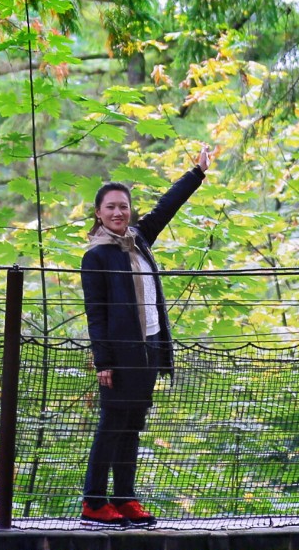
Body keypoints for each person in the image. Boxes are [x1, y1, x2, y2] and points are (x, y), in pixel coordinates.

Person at [77, 146, 213, 525]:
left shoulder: (138, 239)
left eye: (123, 206)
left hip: (149, 348)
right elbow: (96, 313)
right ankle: (93, 502)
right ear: (98, 214)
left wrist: (196, 174)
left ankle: (124, 498)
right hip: (119, 355)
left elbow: (166, 208)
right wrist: (103, 360)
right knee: (111, 425)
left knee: (132, 424)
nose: (118, 212)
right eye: (111, 208)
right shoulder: (97, 256)